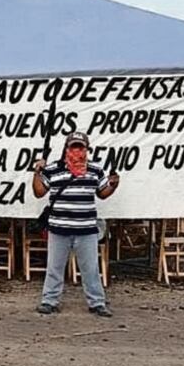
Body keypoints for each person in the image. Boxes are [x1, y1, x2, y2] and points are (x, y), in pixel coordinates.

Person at [32, 131, 120, 317]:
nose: (77, 151)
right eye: (74, 147)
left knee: (91, 269)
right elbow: (39, 192)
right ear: (67, 149)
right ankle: (49, 301)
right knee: (54, 267)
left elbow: (102, 193)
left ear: (87, 149)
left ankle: (97, 302)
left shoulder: (95, 170)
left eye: (81, 147)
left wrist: (113, 185)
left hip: (86, 228)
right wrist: (37, 172)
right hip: (58, 228)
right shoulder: (54, 169)